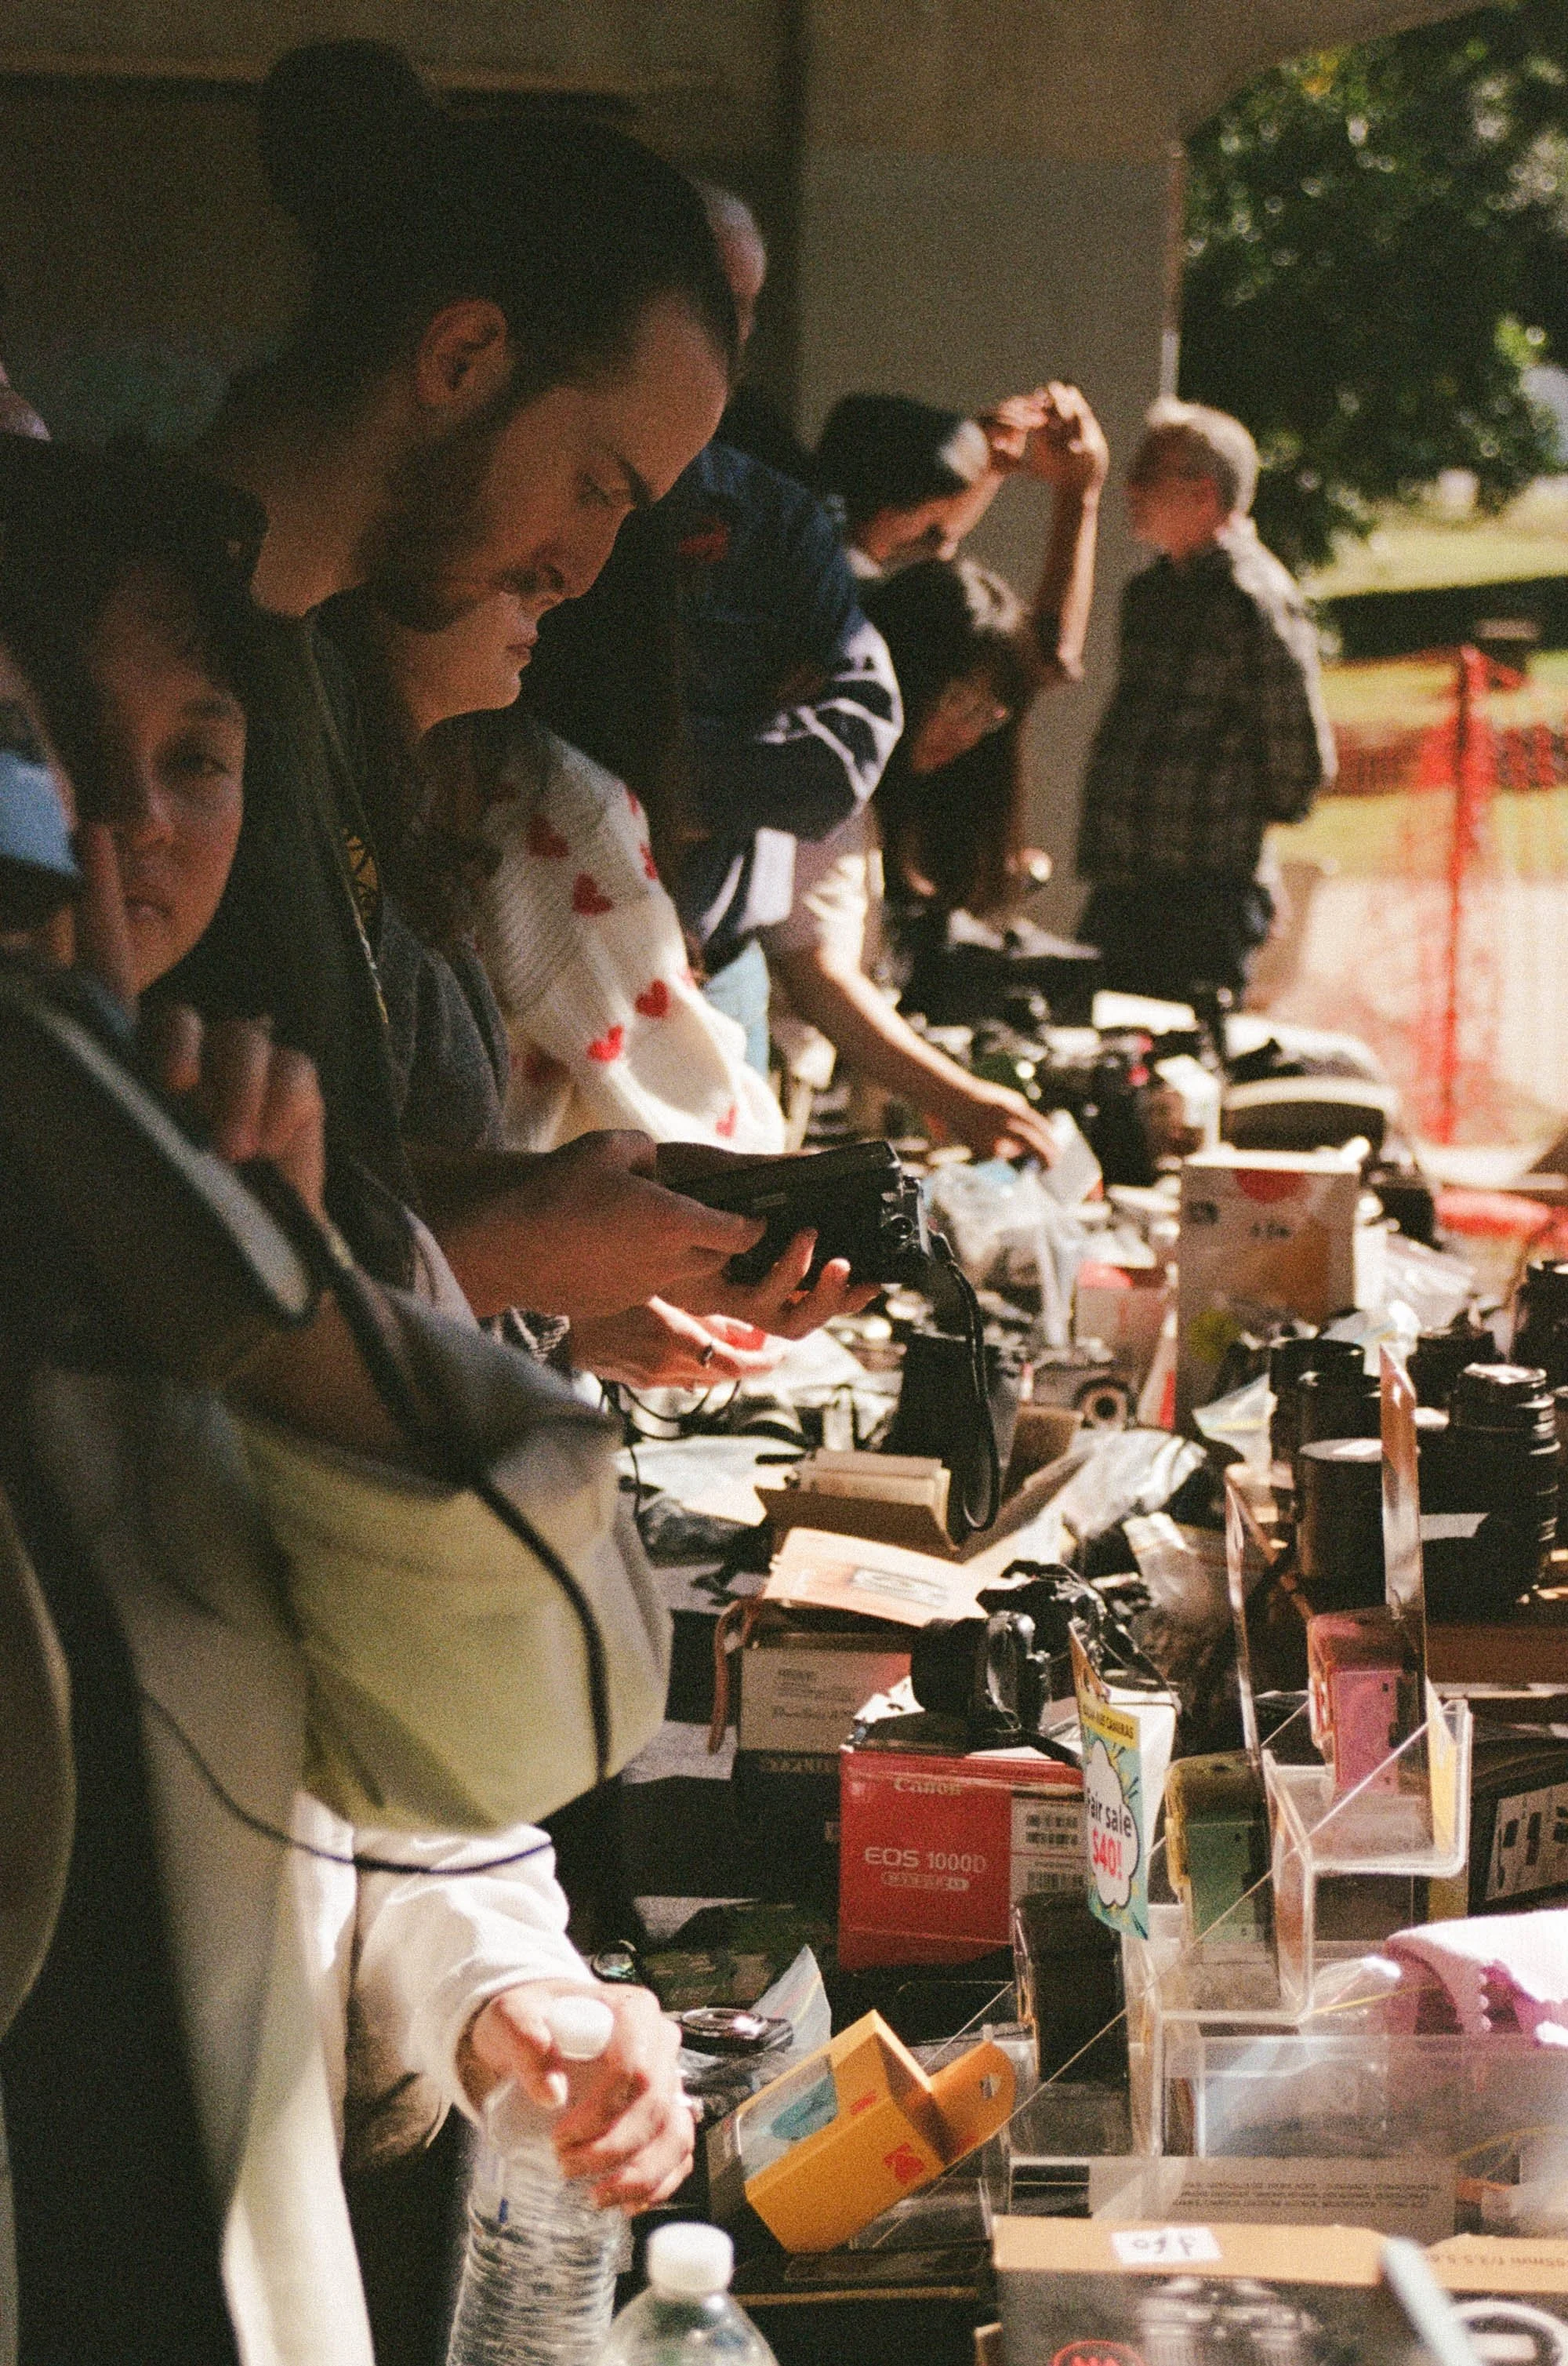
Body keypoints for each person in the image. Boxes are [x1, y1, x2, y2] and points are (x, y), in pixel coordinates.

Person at [0, 458, 693, 2365]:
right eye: (35, 755)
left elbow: (462, 1757)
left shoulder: (264, 1211)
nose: (123, 833)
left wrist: (509, 1999)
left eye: (196, 756)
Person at [170, 38, 811, 1332]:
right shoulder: (130, 661)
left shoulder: (318, 694)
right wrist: (503, 1253)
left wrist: (550, 1270)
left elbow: (315, 1175)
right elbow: (115, 1225)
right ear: (462, 356)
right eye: (598, 486)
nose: (584, 570)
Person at [325, 584, 822, 1394]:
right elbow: (699, 1119)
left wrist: (557, 1304)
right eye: (586, 488)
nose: (559, 575)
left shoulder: (418, 804)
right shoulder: (554, 802)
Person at [760, 385, 1108, 1161]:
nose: (967, 733)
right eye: (954, 702)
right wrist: (963, 1098)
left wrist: (1067, 492)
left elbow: (1035, 654)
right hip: (759, 1081)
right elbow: (816, 973)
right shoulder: (828, 759)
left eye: (989, 717)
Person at [1076, 396, 1337, 1008]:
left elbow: (1298, 763)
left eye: (1148, 474)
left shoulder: (1252, 597)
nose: (1130, 488)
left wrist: (1235, 841)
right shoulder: (1152, 593)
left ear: (1202, 493)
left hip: (1199, 901)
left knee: (1177, 1079)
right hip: (1124, 885)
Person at [812, 384, 1066, 576]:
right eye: (930, 527)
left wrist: (989, 461)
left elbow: (946, 531)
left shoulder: (810, 536)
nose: (943, 548)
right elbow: (944, 541)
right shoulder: (849, 589)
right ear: (888, 514)